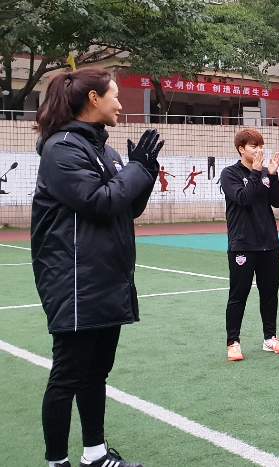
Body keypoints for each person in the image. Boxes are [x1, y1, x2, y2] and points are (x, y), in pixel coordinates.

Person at [32, 68, 162, 467]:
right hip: (74, 280)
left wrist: (146, 172)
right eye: (115, 96)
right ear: (93, 99)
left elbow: (126, 206)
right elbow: (98, 201)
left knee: (96, 372)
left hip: (107, 277)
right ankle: (57, 461)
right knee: (68, 375)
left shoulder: (107, 151)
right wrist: (136, 171)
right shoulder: (62, 148)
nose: (120, 104)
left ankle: (96, 454)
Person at [220, 128, 279, 362]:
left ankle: (270, 338)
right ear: (241, 149)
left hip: (269, 244)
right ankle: (233, 342)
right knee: (238, 295)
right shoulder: (230, 174)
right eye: (253, 146)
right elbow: (244, 198)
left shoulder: (266, 174)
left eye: (261, 146)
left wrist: (273, 176)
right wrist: (257, 172)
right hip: (243, 245)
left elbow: (278, 202)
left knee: (269, 294)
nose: (259, 150)